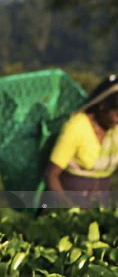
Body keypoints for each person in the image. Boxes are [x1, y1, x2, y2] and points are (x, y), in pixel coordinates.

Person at [45, 74, 118, 208]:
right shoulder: (77, 126)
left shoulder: (115, 131)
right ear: (103, 106)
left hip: (99, 209)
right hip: (68, 207)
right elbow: (51, 175)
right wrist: (69, 209)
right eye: (117, 113)